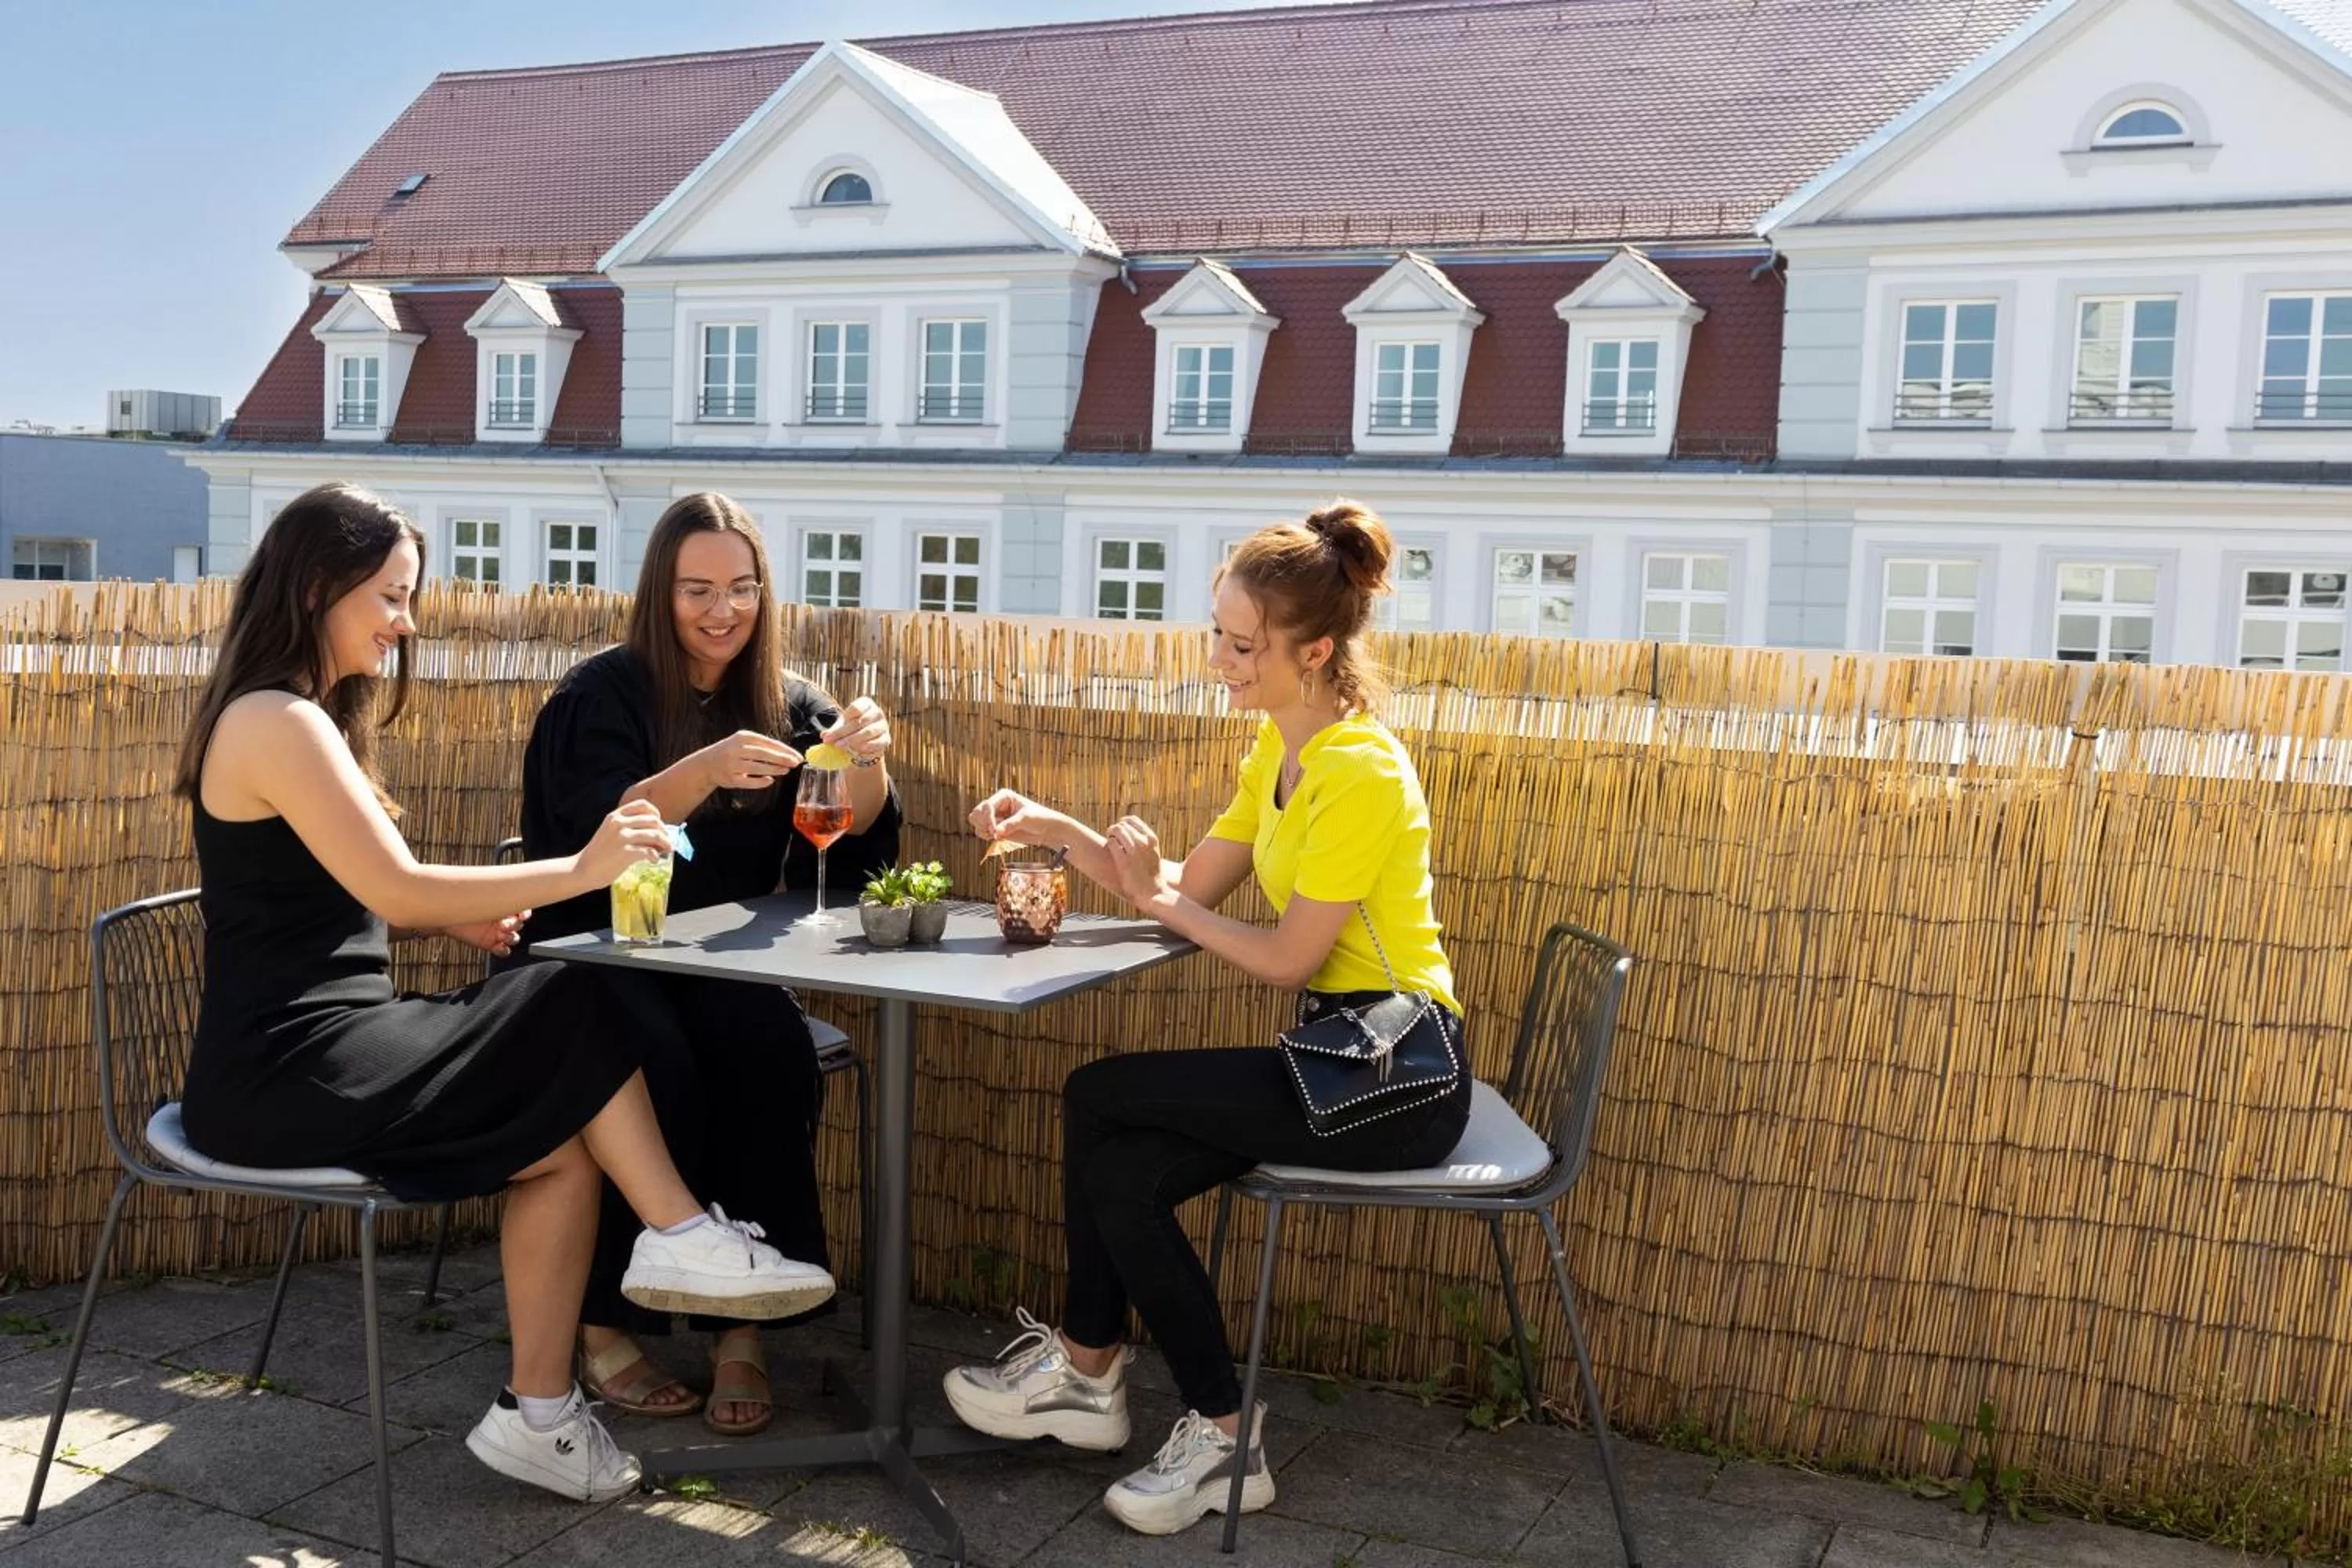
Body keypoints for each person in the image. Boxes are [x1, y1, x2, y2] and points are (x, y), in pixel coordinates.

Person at [176, 483, 835, 1505]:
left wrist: (450, 918)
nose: (407, 621)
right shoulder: (276, 721)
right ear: (317, 587)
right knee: (574, 986)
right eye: (391, 597)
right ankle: (683, 1235)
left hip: (341, 1035)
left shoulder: (303, 720)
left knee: (565, 1143)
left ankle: (542, 1416)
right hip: (279, 1066)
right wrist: (581, 867)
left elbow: (340, 899)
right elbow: (393, 885)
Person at [941, 500, 1472, 1537]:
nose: (1219, 659)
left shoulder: (1358, 772)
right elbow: (1184, 885)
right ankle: (1131, 1396)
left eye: (1241, 644)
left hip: (1401, 1074)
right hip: (1338, 1054)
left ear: (1315, 650)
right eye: (1215, 634)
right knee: (1122, 1166)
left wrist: (1163, 899)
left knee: (1101, 1096)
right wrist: (1056, 827)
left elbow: (1282, 959)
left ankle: (1138, 1397)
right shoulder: (1278, 754)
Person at [510, 492, 900, 1437]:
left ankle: (742, 1326)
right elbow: (590, 838)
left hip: (717, 964)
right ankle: (603, 1322)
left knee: (768, 1049)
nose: (721, 609)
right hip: (589, 958)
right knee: (655, 1065)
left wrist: (870, 763)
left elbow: (850, 852)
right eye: (697, 589)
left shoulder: (789, 701)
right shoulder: (596, 696)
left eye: (740, 587)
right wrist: (707, 766)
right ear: (661, 591)